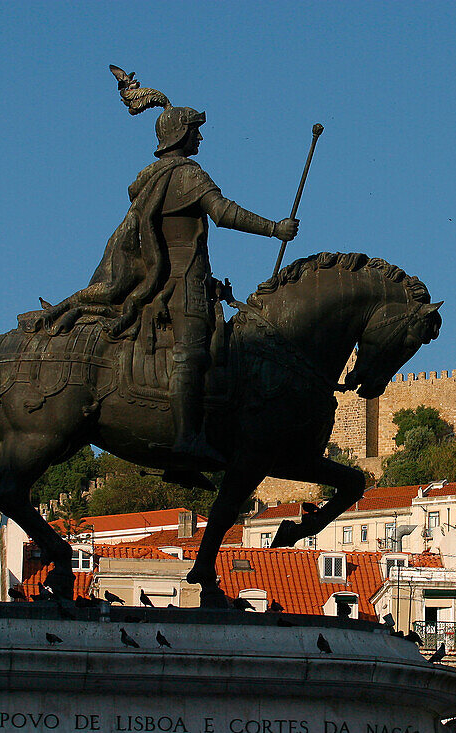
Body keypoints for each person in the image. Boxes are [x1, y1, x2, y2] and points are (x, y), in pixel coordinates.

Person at [45, 67, 297, 466]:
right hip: (183, 285)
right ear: (180, 134)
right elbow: (224, 213)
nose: (200, 136)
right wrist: (274, 229)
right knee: (191, 354)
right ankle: (187, 439)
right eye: (195, 130)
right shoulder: (187, 175)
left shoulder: (152, 179)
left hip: (174, 280)